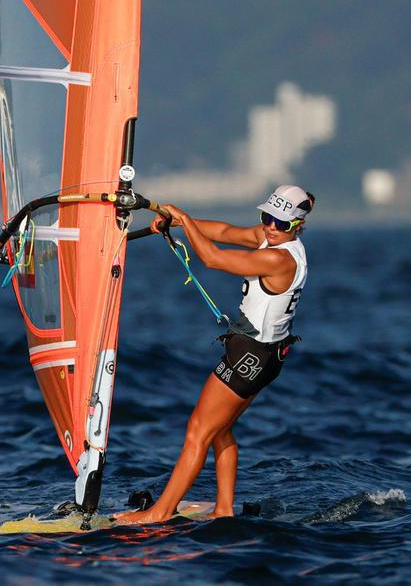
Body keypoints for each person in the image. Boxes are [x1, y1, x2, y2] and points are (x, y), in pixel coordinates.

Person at [113, 184, 314, 525]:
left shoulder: (279, 257)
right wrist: (176, 220)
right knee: (220, 430)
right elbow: (222, 231)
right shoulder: (270, 240)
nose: (270, 227)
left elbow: (213, 257)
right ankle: (223, 508)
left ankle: (159, 513)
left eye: (281, 223)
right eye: (267, 217)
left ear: (297, 226)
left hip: (251, 358)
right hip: (264, 357)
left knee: (198, 431)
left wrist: (185, 221)